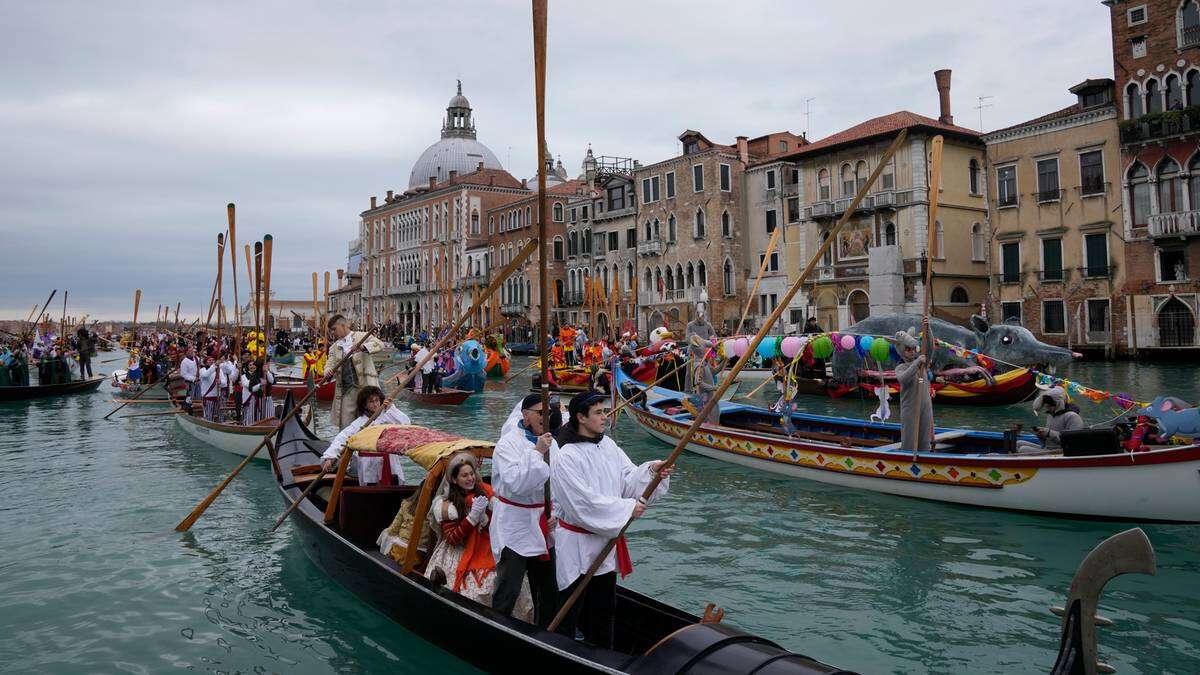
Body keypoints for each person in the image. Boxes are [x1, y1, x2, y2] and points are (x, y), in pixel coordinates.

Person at [551, 392, 672, 648]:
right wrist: (627, 509)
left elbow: (628, 479)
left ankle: (603, 652)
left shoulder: (608, 446)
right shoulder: (567, 455)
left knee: (604, 608)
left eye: (604, 411)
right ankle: (564, 650)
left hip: (604, 543)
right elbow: (582, 503)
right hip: (577, 545)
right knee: (572, 608)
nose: (605, 416)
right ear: (581, 418)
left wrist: (652, 472)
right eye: (598, 412)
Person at [491, 394, 561, 626]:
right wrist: (537, 452)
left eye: (549, 412)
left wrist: (556, 513)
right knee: (509, 586)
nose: (546, 417)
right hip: (515, 523)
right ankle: (498, 627)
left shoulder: (554, 443)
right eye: (540, 412)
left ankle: (546, 633)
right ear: (526, 415)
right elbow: (517, 483)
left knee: (549, 588)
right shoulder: (508, 444)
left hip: (542, 524)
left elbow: (559, 484)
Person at [424, 452, 506, 608]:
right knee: (473, 592)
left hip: (486, 546)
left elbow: (498, 527)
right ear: (454, 479)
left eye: (471, 474)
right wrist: (472, 518)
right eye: (464, 476)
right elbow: (453, 539)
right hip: (459, 550)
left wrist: (488, 519)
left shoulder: (485, 493)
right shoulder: (447, 505)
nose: (470, 478)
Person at [320, 385, 412, 477]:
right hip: (369, 468)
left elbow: (406, 424)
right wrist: (330, 457)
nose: (375, 404)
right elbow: (342, 438)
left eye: (377, 400)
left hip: (390, 465)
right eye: (371, 402)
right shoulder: (360, 424)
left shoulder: (389, 416)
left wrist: (391, 408)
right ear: (365, 405)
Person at [324, 314, 387, 428]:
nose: (332, 333)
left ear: (342, 325)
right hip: (347, 391)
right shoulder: (334, 347)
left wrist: (363, 347)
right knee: (346, 423)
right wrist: (328, 371)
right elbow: (330, 363)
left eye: (334, 329)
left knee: (372, 420)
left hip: (367, 387)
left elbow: (380, 345)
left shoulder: (361, 336)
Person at [894, 326, 933, 453]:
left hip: (925, 408)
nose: (911, 351)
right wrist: (916, 363)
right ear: (901, 350)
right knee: (909, 442)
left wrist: (928, 330)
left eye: (913, 349)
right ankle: (907, 459)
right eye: (908, 349)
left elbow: (930, 349)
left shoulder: (923, 364)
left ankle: (926, 459)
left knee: (925, 441)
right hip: (910, 410)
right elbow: (903, 379)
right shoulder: (901, 367)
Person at [1016, 386, 1084, 454]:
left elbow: (1072, 441)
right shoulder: (1050, 416)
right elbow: (1047, 441)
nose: (1048, 409)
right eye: (1046, 406)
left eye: (1050, 406)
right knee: (1018, 443)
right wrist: (1041, 436)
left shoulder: (1072, 417)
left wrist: (1049, 433)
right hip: (1047, 448)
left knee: (1023, 449)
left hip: (1060, 451)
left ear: (1058, 403)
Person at [197, 354, 224, 422]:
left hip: (217, 396)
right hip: (207, 396)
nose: (211, 361)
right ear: (206, 362)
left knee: (218, 415)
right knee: (208, 416)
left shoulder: (219, 370)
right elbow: (206, 375)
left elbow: (224, 382)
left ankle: (219, 427)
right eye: (209, 360)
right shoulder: (202, 370)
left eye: (213, 360)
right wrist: (214, 366)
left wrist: (220, 382)